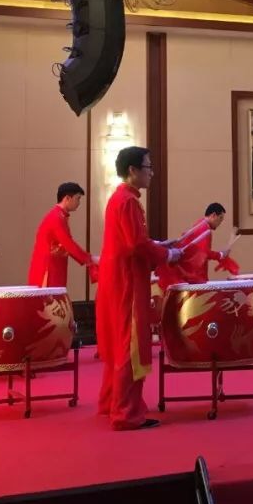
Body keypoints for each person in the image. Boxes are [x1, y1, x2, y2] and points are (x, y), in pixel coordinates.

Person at [97, 147, 181, 430]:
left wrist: (157, 245)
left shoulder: (119, 198)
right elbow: (135, 244)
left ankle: (112, 401)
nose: (151, 173)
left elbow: (133, 240)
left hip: (117, 278)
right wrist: (167, 255)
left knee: (118, 340)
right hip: (128, 280)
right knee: (130, 343)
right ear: (132, 170)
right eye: (148, 167)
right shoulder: (128, 202)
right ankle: (126, 413)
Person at [28, 182, 95, 288]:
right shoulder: (56, 218)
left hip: (54, 266)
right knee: (52, 297)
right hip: (48, 269)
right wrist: (90, 259)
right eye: (77, 198)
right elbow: (68, 244)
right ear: (67, 198)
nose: (79, 203)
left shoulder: (59, 216)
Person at [159, 202, 234, 286]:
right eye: (220, 218)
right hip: (193, 274)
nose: (220, 223)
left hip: (190, 272)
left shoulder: (200, 224)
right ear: (213, 215)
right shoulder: (204, 228)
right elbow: (203, 252)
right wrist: (220, 255)